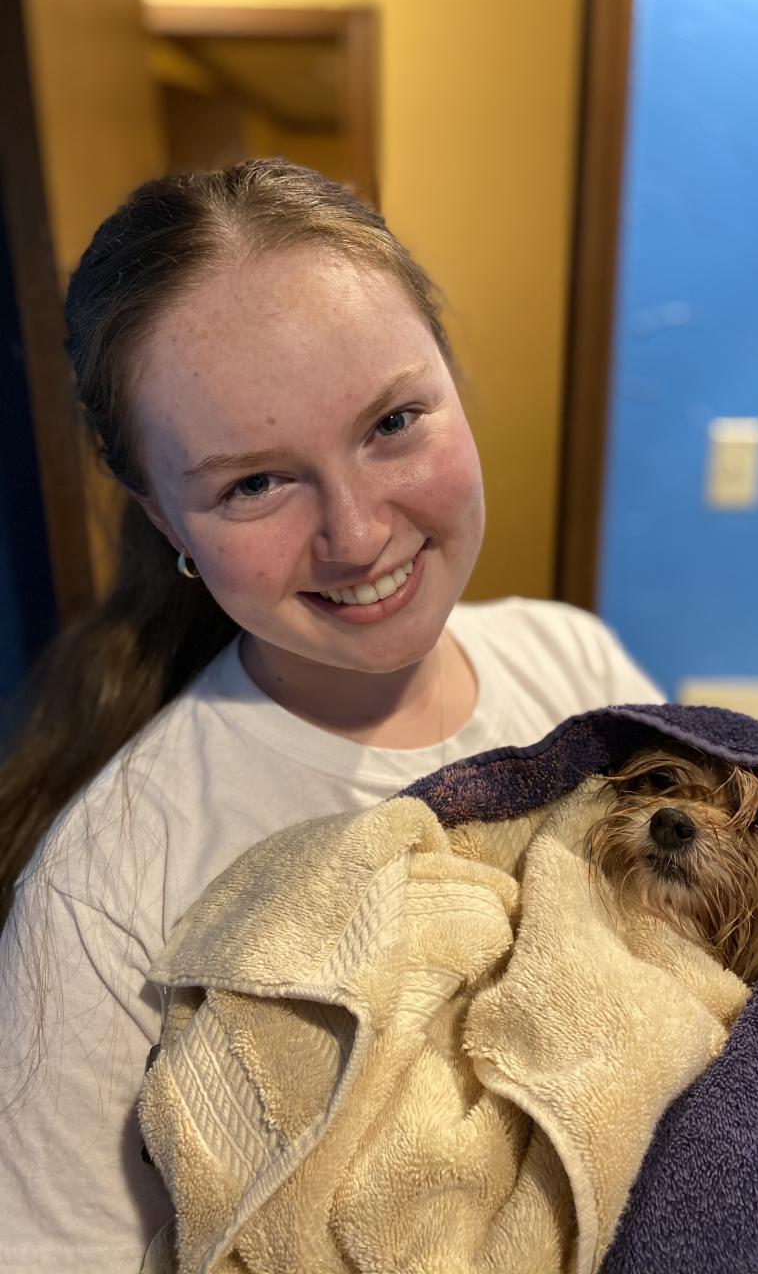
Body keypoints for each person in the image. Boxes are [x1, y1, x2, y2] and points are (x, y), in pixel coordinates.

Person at [0, 158, 662, 1271]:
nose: (356, 534)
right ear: (166, 518)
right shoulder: (112, 883)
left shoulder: (581, 668)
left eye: (393, 421)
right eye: (254, 484)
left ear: (452, 378)